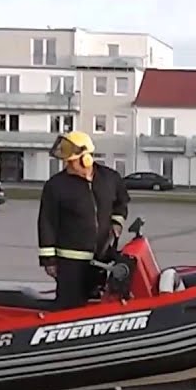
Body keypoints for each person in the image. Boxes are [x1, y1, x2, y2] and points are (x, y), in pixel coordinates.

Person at [36, 131, 129, 310]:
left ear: (86, 158)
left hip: (102, 260)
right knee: (69, 309)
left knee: (97, 307)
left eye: (71, 162)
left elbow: (121, 202)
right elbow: (47, 223)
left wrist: (117, 222)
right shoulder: (55, 186)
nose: (67, 166)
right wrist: (49, 260)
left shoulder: (110, 179)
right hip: (70, 263)